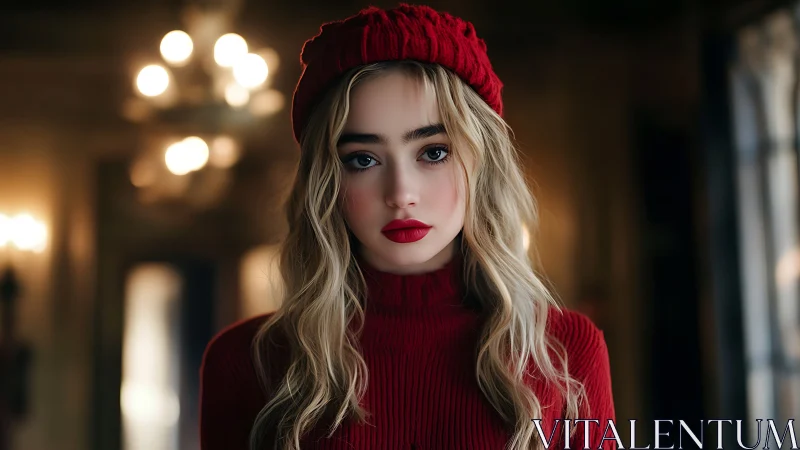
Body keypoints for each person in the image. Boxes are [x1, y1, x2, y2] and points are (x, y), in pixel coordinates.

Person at [199, 4, 616, 450]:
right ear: (326, 181)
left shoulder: (566, 351)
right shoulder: (247, 361)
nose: (401, 193)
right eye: (363, 159)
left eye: (433, 152)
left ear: (482, 161)